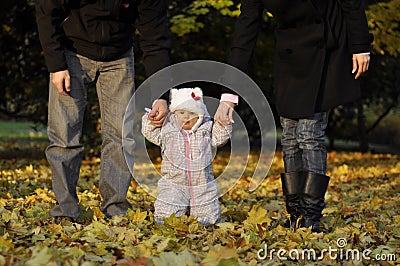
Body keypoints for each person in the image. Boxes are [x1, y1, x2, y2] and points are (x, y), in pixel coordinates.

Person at [220, 0, 373, 232]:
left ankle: (311, 217)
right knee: (290, 138)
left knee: (309, 134)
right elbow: (245, 29)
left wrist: (361, 44)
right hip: (289, 54)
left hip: (327, 47)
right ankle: (296, 214)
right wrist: (229, 94)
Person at [35, 0, 171, 222]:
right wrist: (56, 66)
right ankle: (66, 209)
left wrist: (161, 94)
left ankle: (115, 206)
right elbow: (46, 9)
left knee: (121, 135)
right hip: (72, 52)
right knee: (64, 136)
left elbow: (155, 37)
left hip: (119, 56)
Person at [142, 87, 232, 226]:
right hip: (173, 181)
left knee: (207, 208)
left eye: (191, 113)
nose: (186, 116)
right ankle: (165, 218)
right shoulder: (167, 130)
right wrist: (150, 119)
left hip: (202, 182)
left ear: (200, 115)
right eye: (182, 112)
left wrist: (223, 125)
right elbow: (150, 132)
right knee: (168, 208)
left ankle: (205, 220)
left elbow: (220, 139)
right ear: (174, 113)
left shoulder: (206, 130)